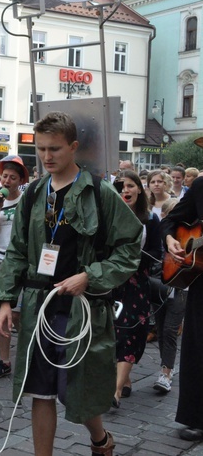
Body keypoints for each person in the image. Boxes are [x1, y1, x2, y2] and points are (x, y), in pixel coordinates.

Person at [0, 111, 142, 456]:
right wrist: (4, 301)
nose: (47, 157)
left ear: (73, 147)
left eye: (55, 149)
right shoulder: (32, 193)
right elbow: (16, 250)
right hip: (38, 306)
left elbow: (129, 248)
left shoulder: (101, 194)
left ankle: (99, 438)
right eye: (41, 149)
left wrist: (90, 275)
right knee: (40, 390)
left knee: (79, 387)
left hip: (81, 308)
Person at [160, 137, 203, 441]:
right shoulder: (201, 186)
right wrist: (170, 239)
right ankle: (198, 417)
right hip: (202, 283)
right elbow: (172, 220)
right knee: (199, 348)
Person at [112, 170, 162, 407]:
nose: (125, 190)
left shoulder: (150, 219)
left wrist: (135, 258)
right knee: (113, 332)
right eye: (121, 186)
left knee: (130, 332)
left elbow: (156, 252)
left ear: (139, 189)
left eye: (130, 186)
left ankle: (116, 390)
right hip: (111, 282)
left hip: (136, 284)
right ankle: (126, 379)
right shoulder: (109, 216)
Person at [0, 155, 29, 379]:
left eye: (13, 177)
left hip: (21, 262)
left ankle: (27, 358)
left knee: (18, 315)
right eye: (4, 176)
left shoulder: (27, 200)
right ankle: (4, 361)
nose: (7, 181)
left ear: (20, 181)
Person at [151, 197, 185, 394]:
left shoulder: (191, 233)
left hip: (182, 288)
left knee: (171, 329)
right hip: (161, 284)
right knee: (162, 328)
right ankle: (165, 366)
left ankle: (166, 372)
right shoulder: (162, 236)